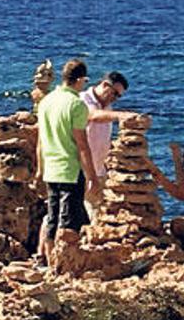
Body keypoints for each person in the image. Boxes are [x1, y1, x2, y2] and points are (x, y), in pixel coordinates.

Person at [34, 59, 101, 265]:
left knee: (52, 217)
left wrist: (39, 169)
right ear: (80, 79)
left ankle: (44, 259)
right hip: (70, 170)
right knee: (68, 221)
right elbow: (82, 145)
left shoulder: (46, 102)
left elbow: (40, 141)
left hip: (51, 169)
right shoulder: (76, 104)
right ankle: (60, 265)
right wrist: (92, 177)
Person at [80, 71, 137, 219]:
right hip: (81, 170)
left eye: (119, 96)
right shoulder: (83, 99)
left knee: (99, 213)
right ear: (105, 85)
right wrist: (121, 115)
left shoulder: (107, 107)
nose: (115, 99)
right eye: (115, 94)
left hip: (99, 170)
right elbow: (93, 115)